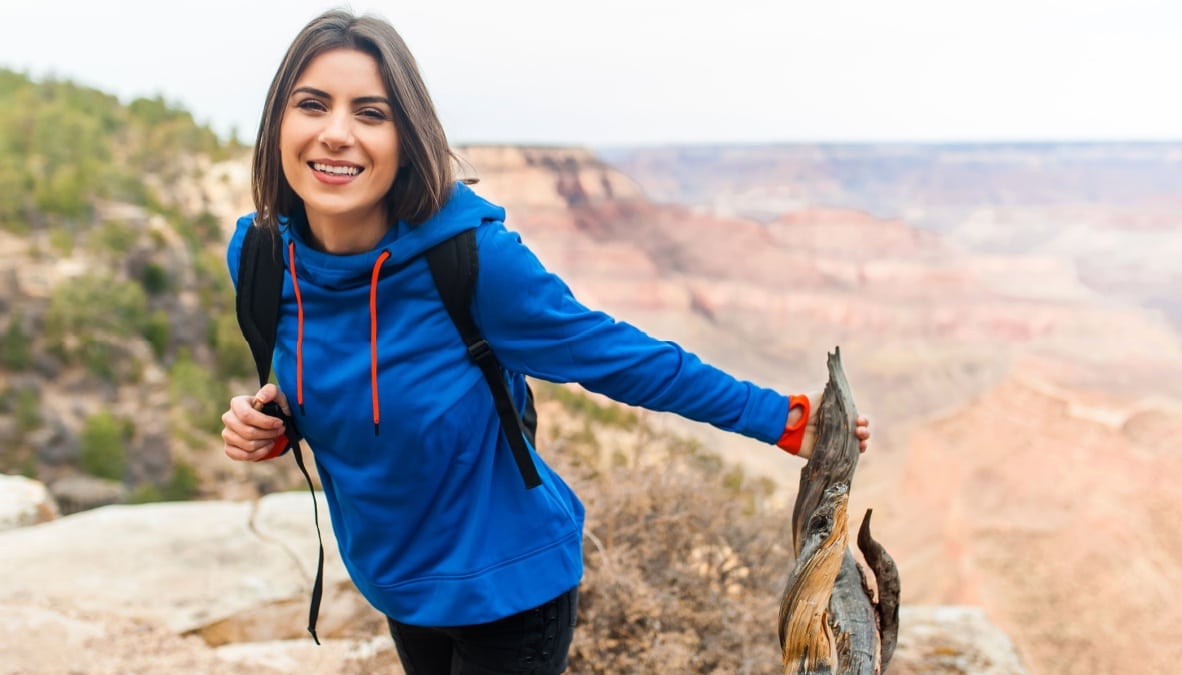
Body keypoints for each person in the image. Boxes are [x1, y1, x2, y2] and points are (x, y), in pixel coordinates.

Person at [219, 9, 870, 674]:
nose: (336, 134)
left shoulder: (474, 262)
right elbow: (337, 373)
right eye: (312, 105)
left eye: (370, 113)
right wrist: (276, 423)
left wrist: (779, 419)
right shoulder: (261, 255)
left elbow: (615, 355)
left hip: (510, 587)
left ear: (407, 138)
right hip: (399, 583)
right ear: (278, 123)